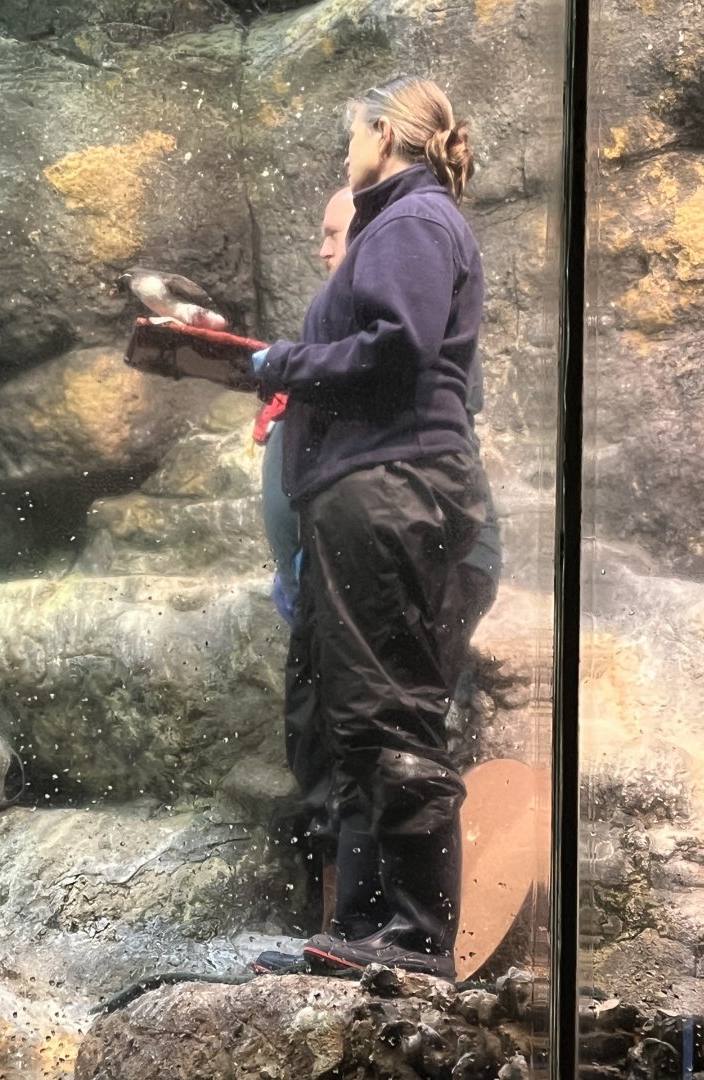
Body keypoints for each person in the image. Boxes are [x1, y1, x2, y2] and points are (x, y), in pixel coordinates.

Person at [251, 76, 489, 979]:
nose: (344, 154)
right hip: (364, 489)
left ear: (383, 134)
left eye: (352, 136)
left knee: (389, 715)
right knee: (355, 722)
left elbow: (401, 346)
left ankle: (416, 938)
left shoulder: (410, 223)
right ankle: (361, 933)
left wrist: (282, 360)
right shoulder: (394, 225)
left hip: (391, 486)